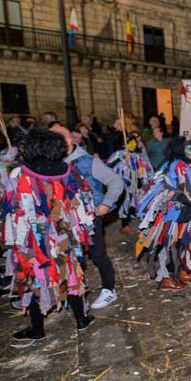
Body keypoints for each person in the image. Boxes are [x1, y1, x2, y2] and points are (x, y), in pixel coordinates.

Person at [1, 129, 97, 341]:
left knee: (34, 279)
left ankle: (37, 329)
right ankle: (81, 318)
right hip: (63, 234)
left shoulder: (21, 173)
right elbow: (82, 201)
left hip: (35, 240)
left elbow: (14, 207)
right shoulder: (68, 170)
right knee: (70, 273)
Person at [51, 125, 125, 310]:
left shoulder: (86, 161)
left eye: (61, 136)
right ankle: (72, 291)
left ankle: (109, 289)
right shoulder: (53, 162)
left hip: (89, 217)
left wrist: (105, 204)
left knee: (97, 253)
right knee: (68, 255)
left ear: (70, 140)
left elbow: (116, 182)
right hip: (65, 218)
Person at [135, 138, 191, 290]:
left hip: (188, 213)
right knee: (171, 244)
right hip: (173, 214)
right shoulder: (173, 166)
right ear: (181, 150)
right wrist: (181, 196)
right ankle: (166, 277)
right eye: (190, 149)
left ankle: (182, 270)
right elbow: (163, 186)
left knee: (186, 241)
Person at [108, 116, 154, 234]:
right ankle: (124, 224)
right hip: (124, 180)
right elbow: (111, 164)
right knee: (125, 200)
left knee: (137, 198)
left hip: (136, 178)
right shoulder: (118, 148)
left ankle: (138, 217)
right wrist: (124, 160)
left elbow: (143, 158)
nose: (116, 126)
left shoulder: (136, 146)